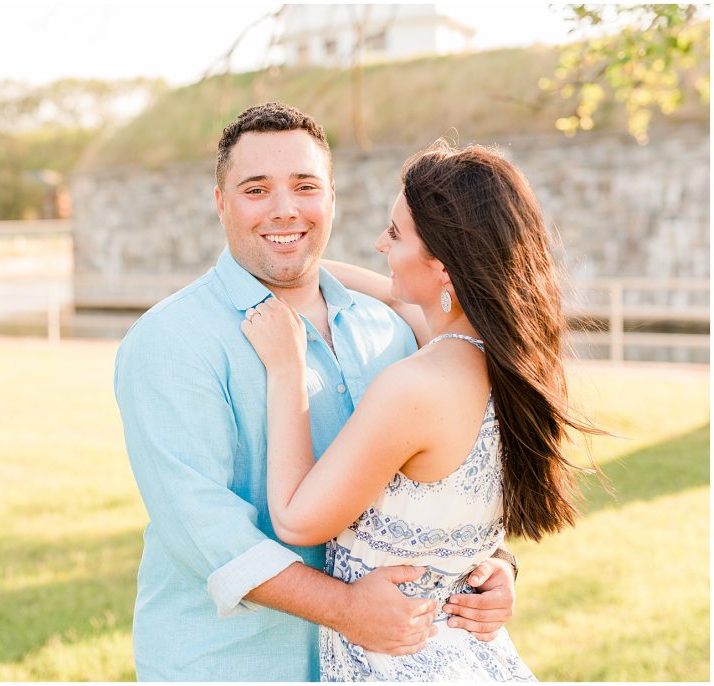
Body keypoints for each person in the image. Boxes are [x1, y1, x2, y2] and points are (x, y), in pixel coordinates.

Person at [114, 103, 518, 681]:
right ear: (221, 202)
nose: (285, 209)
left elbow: (433, 477)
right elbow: (204, 531)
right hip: (234, 665)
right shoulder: (171, 341)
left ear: (332, 196)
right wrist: (346, 609)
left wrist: (489, 567)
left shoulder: (393, 329)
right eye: (256, 189)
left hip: (381, 665)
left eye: (305, 186)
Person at [241, 140, 597, 680]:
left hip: (406, 665)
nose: (380, 245)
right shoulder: (512, 362)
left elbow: (295, 518)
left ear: (445, 267)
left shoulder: (415, 387)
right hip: (475, 658)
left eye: (396, 233)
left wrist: (288, 371)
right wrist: (290, 261)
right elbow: (392, 293)